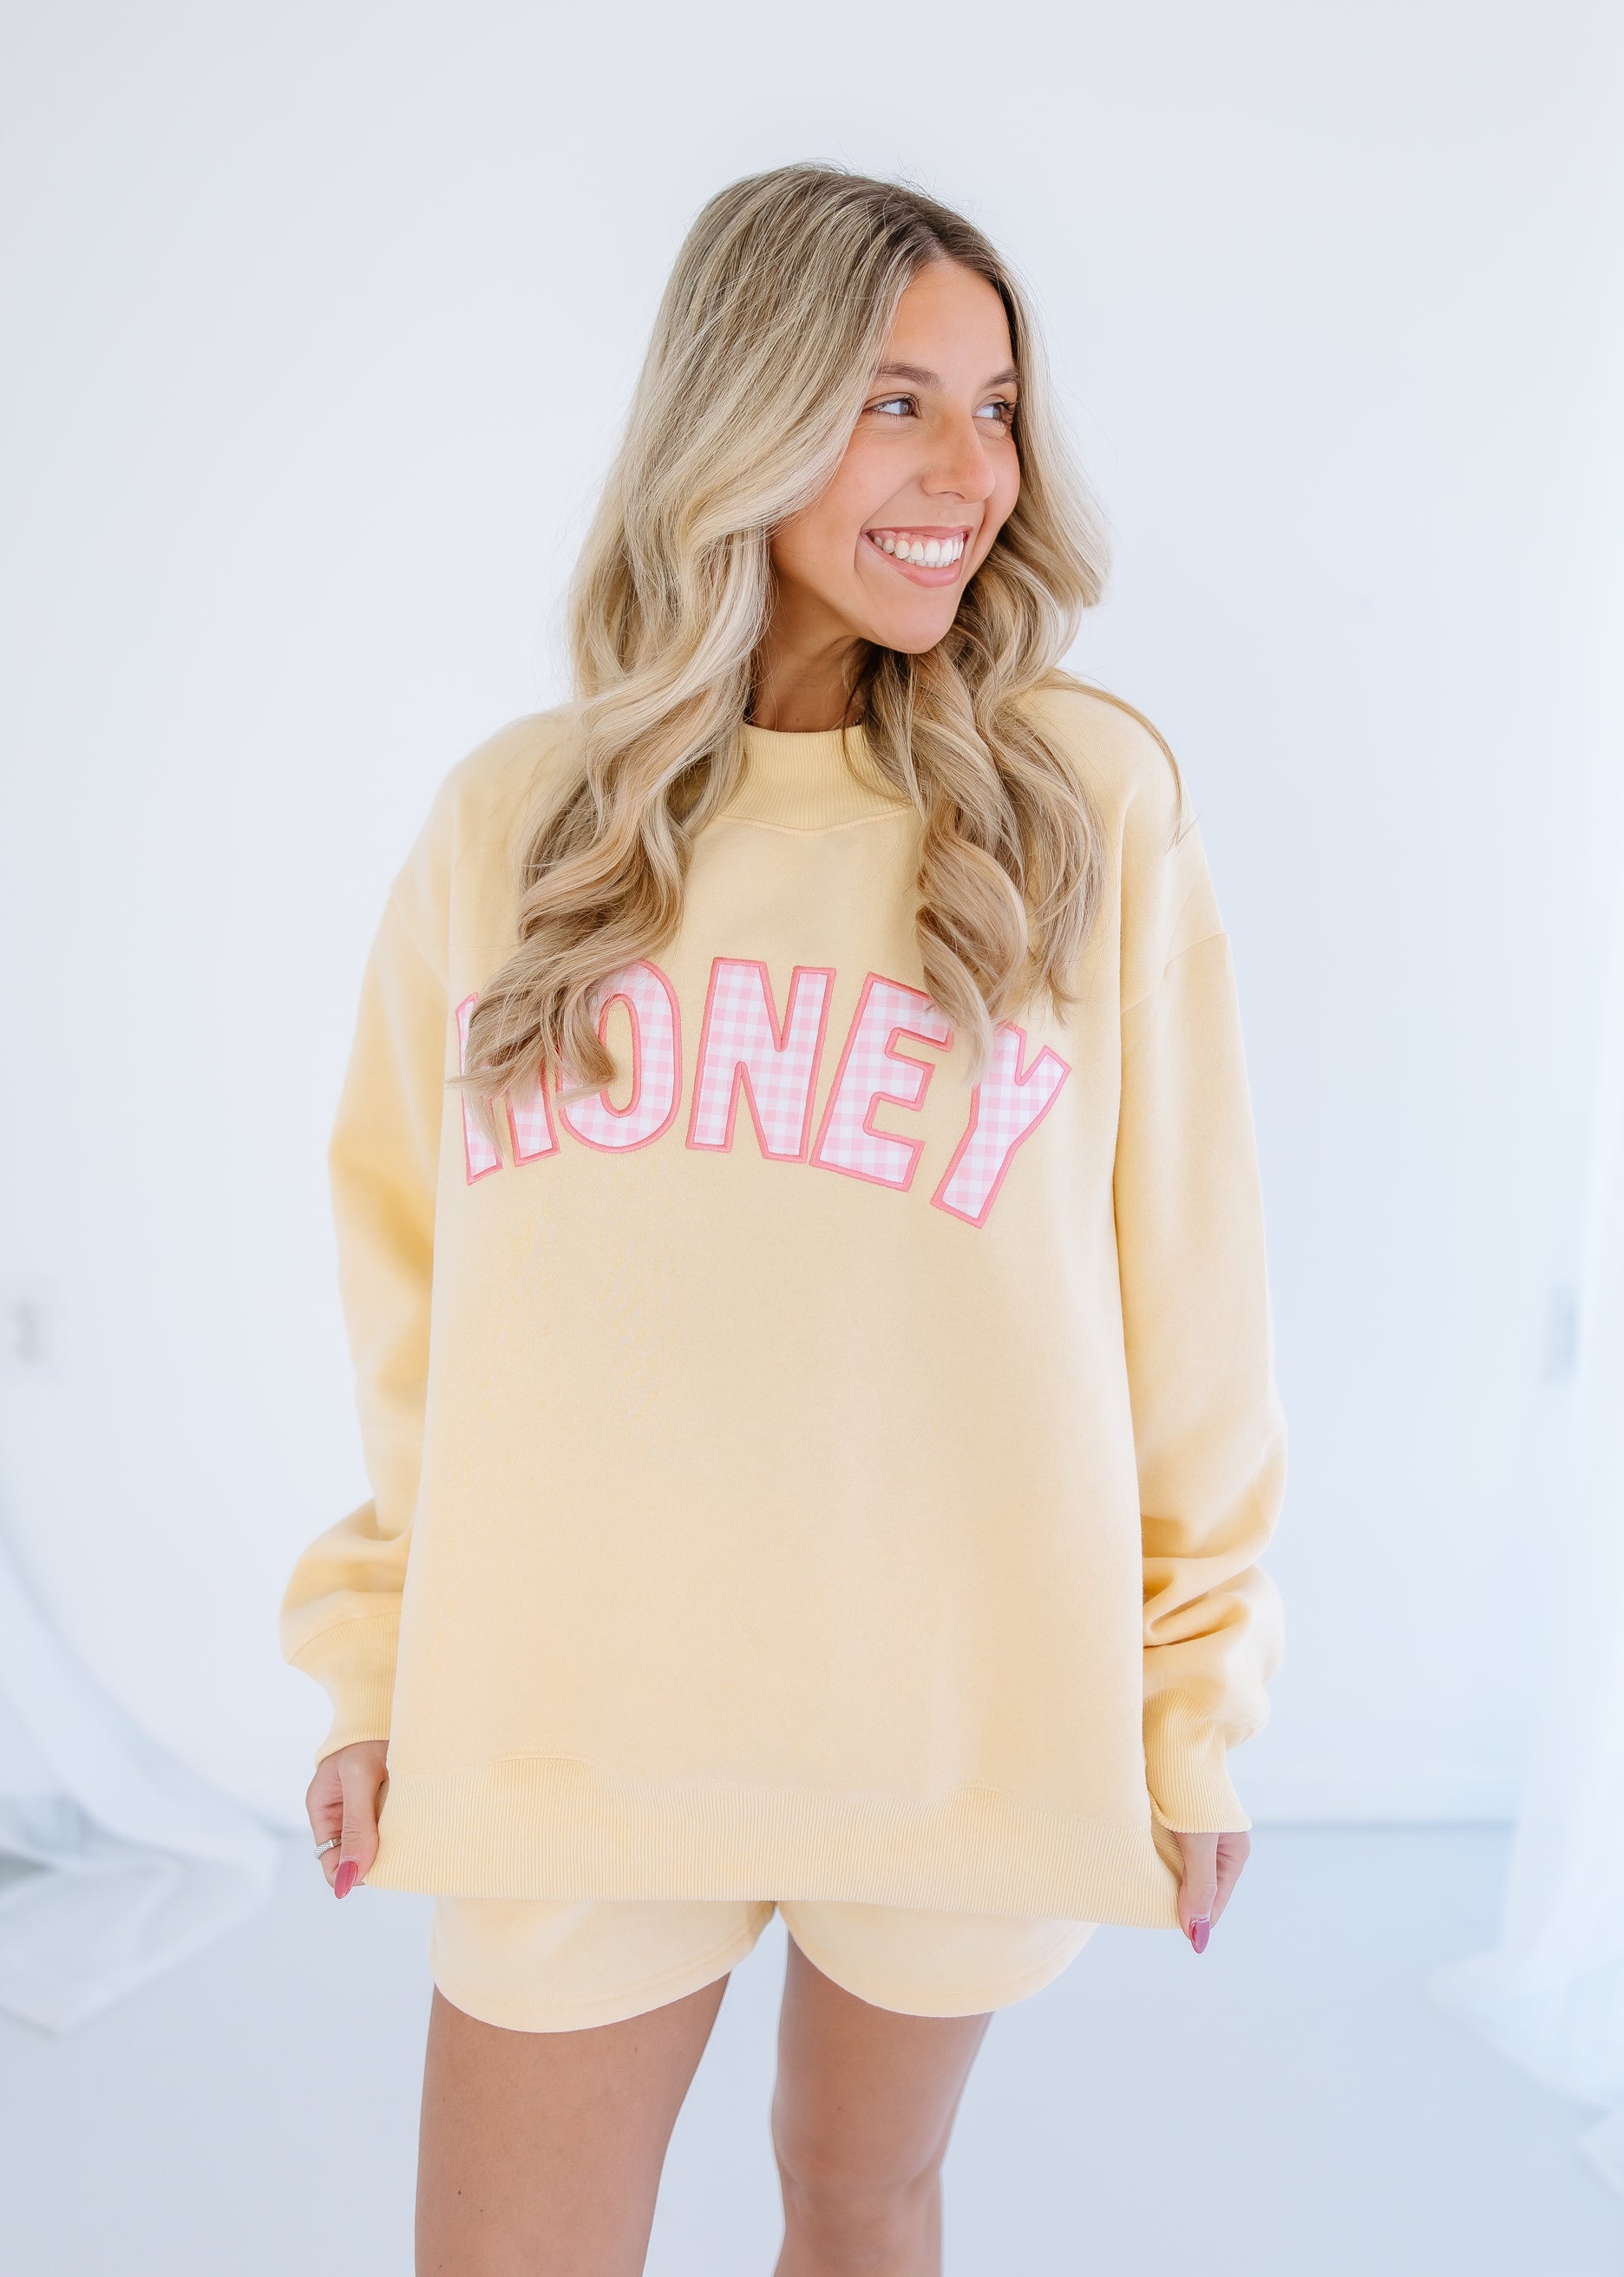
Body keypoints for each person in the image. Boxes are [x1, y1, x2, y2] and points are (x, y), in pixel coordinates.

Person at [280, 164, 1287, 2276]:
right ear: (740, 410)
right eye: (894, 400)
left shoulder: (1081, 808)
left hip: (954, 1701)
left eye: (994, 408)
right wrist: (374, 1662)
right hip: (570, 1703)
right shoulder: (515, 824)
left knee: (858, 2194)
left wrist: (1191, 1707)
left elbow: (1188, 1297)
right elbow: (409, 1294)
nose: (970, 474)